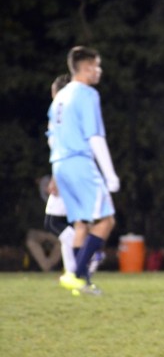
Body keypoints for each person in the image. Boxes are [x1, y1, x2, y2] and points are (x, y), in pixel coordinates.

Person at [48, 46, 120, 296]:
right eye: (96, 66)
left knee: (81, 224)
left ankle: (82, 282)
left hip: (61, 164)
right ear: (86, 68)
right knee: (106, 220)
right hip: (79, 162)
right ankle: (76, 273)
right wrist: (109, 174)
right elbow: (95, 137)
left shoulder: (59, 97)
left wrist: (56, 175)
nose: (98, 71)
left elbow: (52, 138)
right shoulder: (87, 94)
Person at [43, 74, 104, 277]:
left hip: (68, 172)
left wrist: (56, 178)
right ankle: (73, 271)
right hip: (76, 171)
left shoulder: (62, 117)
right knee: (69, 224)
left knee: (54, 222)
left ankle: (89, 252)